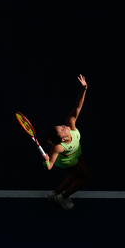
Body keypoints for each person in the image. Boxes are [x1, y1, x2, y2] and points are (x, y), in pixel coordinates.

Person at [43, 75, 91, 210]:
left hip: (77, 151)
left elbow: (77, 107)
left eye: (61, 126)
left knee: (78, 173)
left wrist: (84, 90)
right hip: (68, 160)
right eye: (63, 130)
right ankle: (62, 197)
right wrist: (46, 160)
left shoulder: (71, 124)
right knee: (86, 177)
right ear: (63, 139)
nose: (64, 127)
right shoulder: (58, 147)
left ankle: (55, 193)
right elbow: (49, 166)